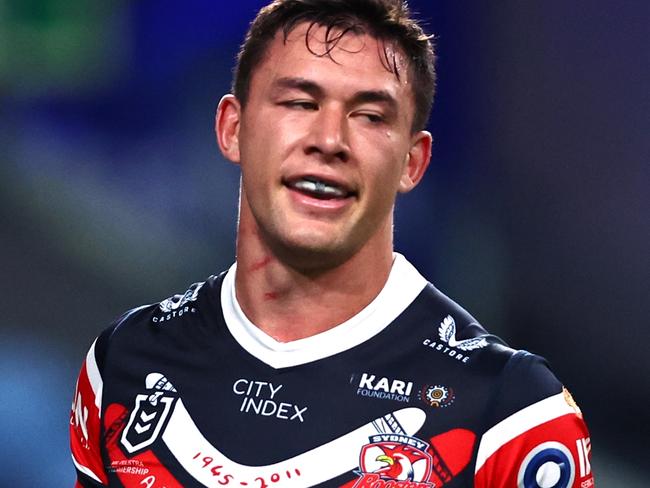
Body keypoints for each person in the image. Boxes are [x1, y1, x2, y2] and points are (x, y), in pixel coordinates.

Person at [70, 1, 594, 487]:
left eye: (370, 116)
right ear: (232, 128)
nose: (329, 141)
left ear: (413, 162)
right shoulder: (123, 361)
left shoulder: (511, 415)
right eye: (299, 102)